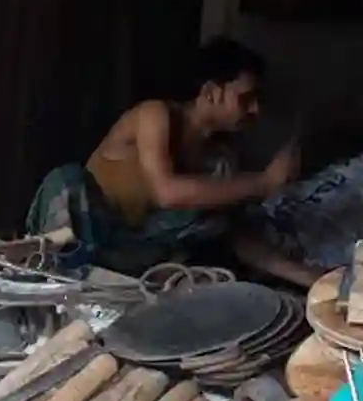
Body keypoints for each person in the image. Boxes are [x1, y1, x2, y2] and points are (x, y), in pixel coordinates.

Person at [27, 37, 315, 284]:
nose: (255, 110)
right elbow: (165, 192)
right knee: (66, 180)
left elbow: (235, 236)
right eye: (246, 98)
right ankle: (49, 280)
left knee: (212, 233)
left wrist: (312, 279)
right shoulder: (156, 115)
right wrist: (263, 182)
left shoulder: (220, 159)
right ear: (211, 92)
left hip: (137, 264)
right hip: (86, 244)